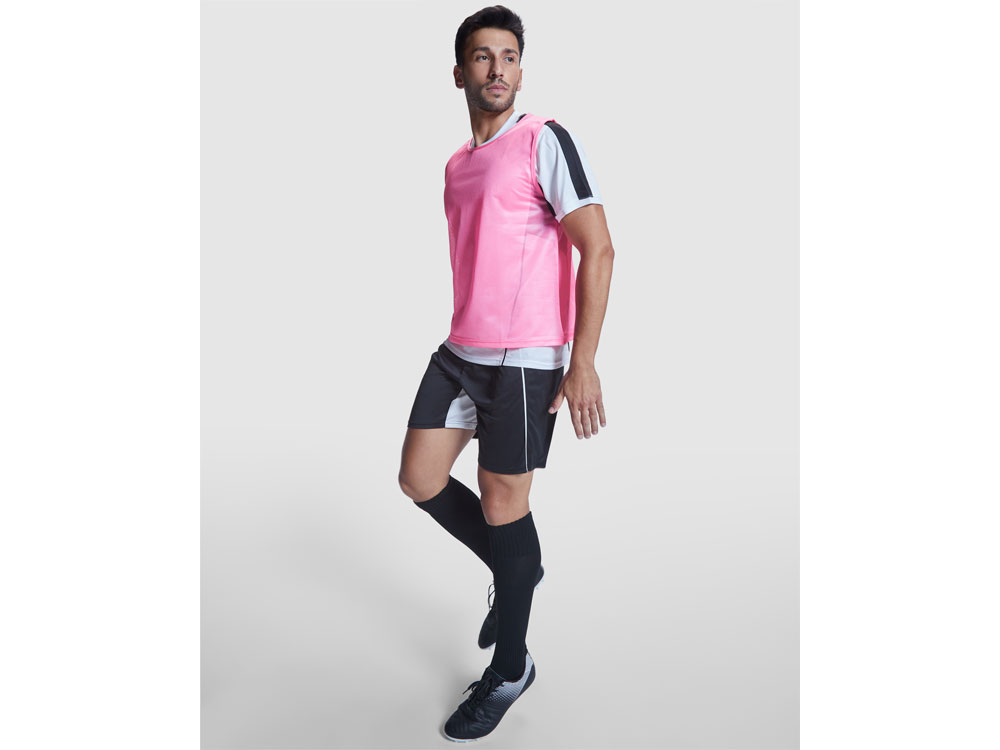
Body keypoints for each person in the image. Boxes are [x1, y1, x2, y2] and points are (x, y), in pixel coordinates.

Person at [397, 5, 615, 742]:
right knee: (419, 479)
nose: (497, 69)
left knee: (502, 504)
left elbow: (598, 247)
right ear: (459, 72)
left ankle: (512, 667)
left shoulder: (542, 140)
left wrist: (582, 362)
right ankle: (517, 569)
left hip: (523, 360)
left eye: (509, 56)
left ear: (521, 70)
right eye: (483, 57)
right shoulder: (457, 164)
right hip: (461, 349)